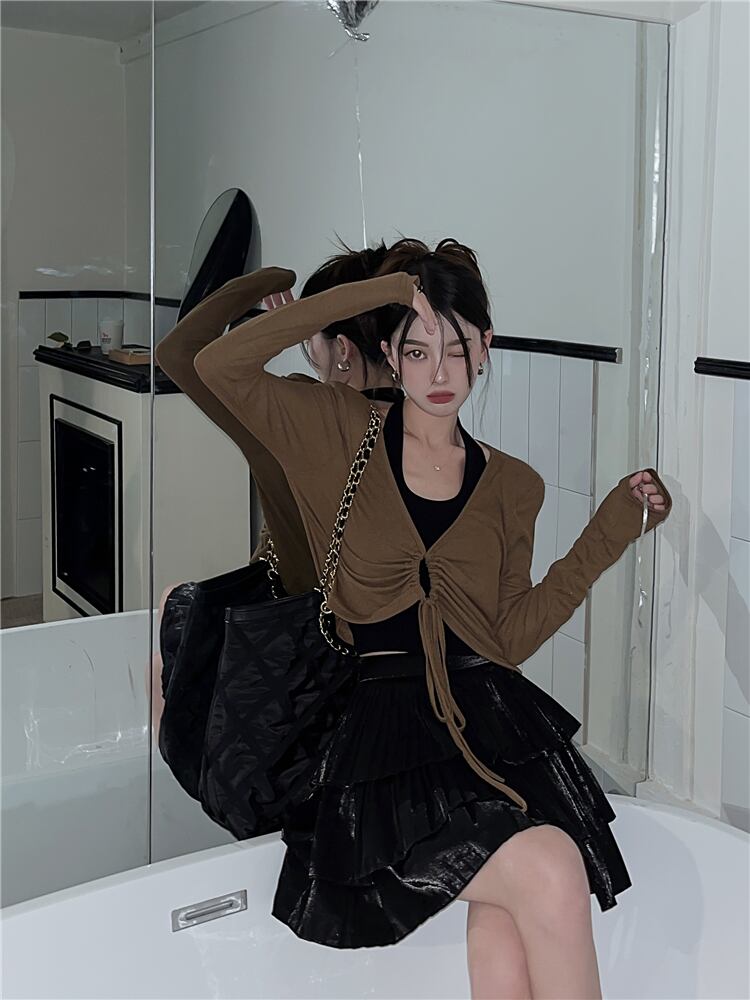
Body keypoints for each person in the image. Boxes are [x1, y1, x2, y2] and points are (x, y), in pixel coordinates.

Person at [194, 237, 672, 999]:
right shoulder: (332, 429)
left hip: (490, 727)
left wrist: (611, 533)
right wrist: (376, 292)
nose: (439, 374)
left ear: (486, 346)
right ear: (389, 352)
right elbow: (219, 366)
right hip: (380, 736)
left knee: (510, 915)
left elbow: (506, 638)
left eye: (456, 348)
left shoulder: (513, 484)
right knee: (548, 870)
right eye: (416, 351)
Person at [151, 242, 401, 729]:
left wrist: (270, 281)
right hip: (387, 653)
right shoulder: (426, 428)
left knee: (173, 619)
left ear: (342, 350)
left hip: (298, 647)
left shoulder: (293, 418)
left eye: (313, 339)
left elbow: (177, 353)